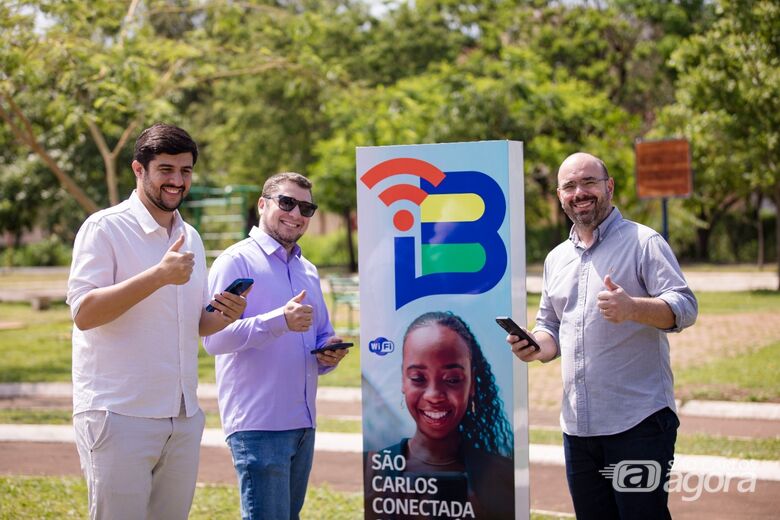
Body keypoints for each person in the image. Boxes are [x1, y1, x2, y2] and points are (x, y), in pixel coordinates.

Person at [66, 123, 248, 520]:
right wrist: (158, 275)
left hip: (182, 417)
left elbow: (193, 322)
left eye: (185, 171)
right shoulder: (104, 228)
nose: (177, 181)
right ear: (138, 170)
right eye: (166, 169)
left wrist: (223, 314)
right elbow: (84, 313)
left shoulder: (191, 236)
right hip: (119, 414)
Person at [506, 152, 698, 519]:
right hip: (578, 429)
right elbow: (550, 326)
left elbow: (685, 306)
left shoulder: (644, 242)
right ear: (560, 196)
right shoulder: (556, 258)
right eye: (570, 186)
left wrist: (634, 308)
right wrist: (534, 346)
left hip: (638, 423)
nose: (580, 192)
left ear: (609, 187)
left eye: (589, 182)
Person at [203, 171, 349, 520]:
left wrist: (329, 352)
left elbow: (320, 335)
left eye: (306, 208)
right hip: (258, 425)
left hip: (303, 423)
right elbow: (213, 339)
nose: (296, 214)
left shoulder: (308, 270)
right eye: (287, 203)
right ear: (262, 204)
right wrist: (278, 321)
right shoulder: (234, 261)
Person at [366, 311, 514, 519]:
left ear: (472, 384)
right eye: (418, 378)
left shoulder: (503, 475)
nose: (434, 395)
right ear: (403, 381)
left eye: (452, 379)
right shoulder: (375, 468)